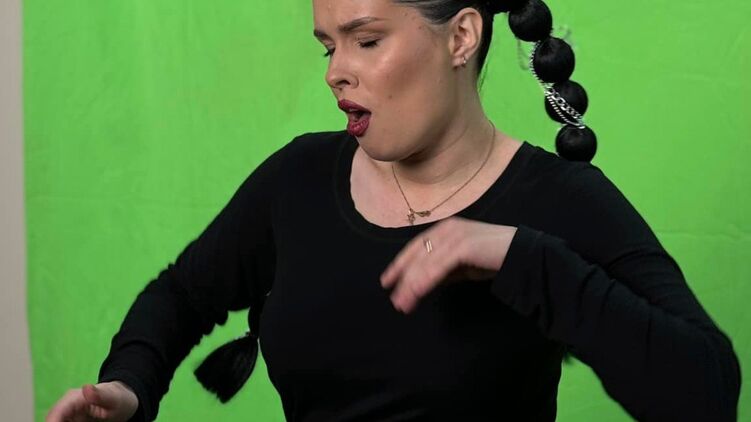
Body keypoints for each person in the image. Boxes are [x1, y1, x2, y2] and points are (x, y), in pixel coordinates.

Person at [46, 1, 742, 421]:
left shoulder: (559, 200)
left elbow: (705, 393)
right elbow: (181, 294)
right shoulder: (298, 177)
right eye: (328, 45)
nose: (334, 71)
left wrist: (517, 257)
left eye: (366, 40)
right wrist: (129, 387)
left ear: (460, 37)